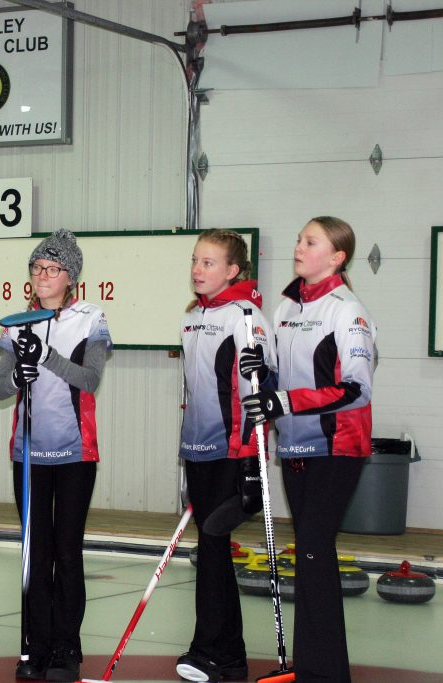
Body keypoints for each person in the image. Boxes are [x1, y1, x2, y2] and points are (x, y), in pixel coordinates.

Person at [241, 217, 376, 683]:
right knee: (310, 553)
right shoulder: (284, 307)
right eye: (299, 238)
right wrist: (264, 373)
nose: (299, 246)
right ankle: (313, 667)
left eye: (310, 241)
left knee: (316, 549)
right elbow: (280, 380)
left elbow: (356, 388)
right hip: (296, 444)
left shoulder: (347, 310)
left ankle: (326, 673)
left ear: (336, 257)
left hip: (338, 446)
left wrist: (286, 399)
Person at [0, 229, 112, 682]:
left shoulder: (91, 318)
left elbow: (90, 379)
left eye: (51, 268)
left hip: (74, 453)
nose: (42, 275)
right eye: (36, 268)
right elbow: (1, 389)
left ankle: (66, 646)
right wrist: (19, 374)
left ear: (70, 277)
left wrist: (47, 356)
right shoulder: (15, 321)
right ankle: (36, 645)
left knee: (67, 549)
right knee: (35, 552)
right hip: (28, 454)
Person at [175, 229, 276, 682]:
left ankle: (214, 651)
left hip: (230, 453)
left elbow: (259, 391)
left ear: (233, 270)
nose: (198, 269)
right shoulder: (192, 316)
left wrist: (253, 462)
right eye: (196, 261)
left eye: (209, 262)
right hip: (196, 450)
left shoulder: (246, 316)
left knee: (214, 546)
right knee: (210, 549)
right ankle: (222, 651)